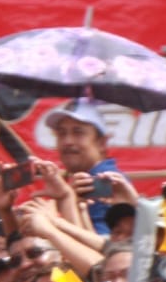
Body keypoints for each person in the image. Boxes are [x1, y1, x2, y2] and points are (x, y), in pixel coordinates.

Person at [43, 97, 122, 235]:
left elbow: (102, 245)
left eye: (78, 132)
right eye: (62, 133)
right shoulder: (82, 180)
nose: (67, 141)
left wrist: (65, 202)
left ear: (102, 143)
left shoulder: (102, 182)